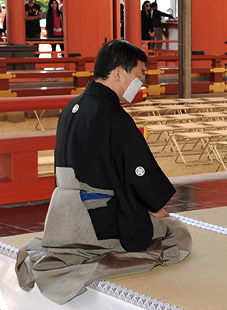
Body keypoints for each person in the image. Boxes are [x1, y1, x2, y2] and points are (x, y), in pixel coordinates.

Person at [14, 40, 192, 305]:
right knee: (177, 234)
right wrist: (156, 209)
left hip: (62, 217)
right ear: (119, 73)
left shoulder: (72, 108)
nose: (141, 82)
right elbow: (138, 173)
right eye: (139, 74)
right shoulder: (112, 115)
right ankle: (95, 262)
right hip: (98, 223)